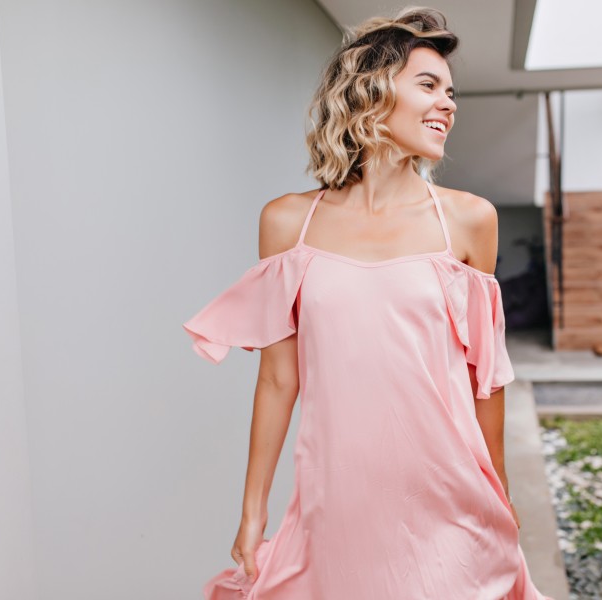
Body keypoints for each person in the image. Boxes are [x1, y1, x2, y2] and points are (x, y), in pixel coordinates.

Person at [183, 7, 554, 599]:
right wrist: (252, 512)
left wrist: (501, 495)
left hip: (452, 500)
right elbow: (279, 382)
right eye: (427, 85)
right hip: (338, 505)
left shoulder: (467, 220)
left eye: (451, 92)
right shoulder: (288, 224)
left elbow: (486, 379)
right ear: (369, 92)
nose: (448, 104)